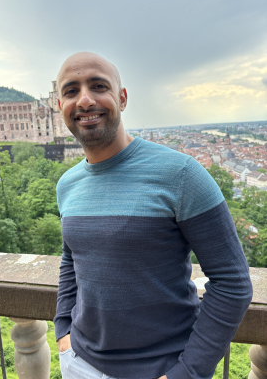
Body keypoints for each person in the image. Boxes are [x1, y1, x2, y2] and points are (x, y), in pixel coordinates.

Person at [54, 52, 253, 379]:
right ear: (60, 104)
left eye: (98, 86)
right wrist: (63, 327)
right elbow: (70, 258)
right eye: (71, 91)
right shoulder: (68, 185)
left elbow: (233, 283)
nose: (85, 100)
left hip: (158, 368)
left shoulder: (182, 174)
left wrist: (187, 372)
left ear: (122, 98)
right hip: (79, 363)